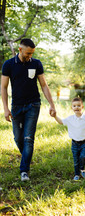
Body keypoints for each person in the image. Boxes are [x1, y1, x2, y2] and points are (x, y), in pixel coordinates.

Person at [1, 38, 56, 181]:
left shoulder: (36, 63)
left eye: (32, 53)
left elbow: (44, 85)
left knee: (28, 138)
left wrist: (52, 104)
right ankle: (27, 156)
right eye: (27, 53)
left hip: (33, 105)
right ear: (20, 50)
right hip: (16, 107)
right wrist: (6, 109)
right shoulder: (8, 65)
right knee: (18, 138)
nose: (29, 56)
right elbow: (4, 87)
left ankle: (24, 171)